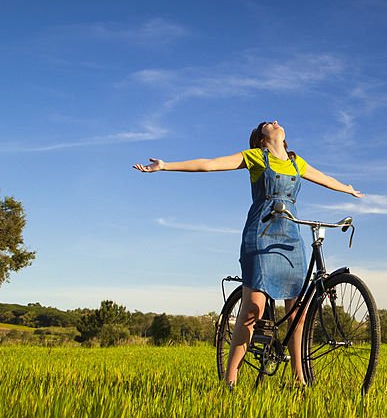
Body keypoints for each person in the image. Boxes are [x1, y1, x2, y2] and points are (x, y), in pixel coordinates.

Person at [133, 120, 363, 388]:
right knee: (253, 308)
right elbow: (210, 164)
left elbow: (324, 179)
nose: (275, 122)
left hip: (291, 237)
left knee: (297, 314)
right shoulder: (255, 157)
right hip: (261, 234)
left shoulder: (296, 162)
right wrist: (165, 165)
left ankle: (299, 381)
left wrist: (346, 188)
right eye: (268, 124)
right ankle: (229, 382)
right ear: (261, 139)